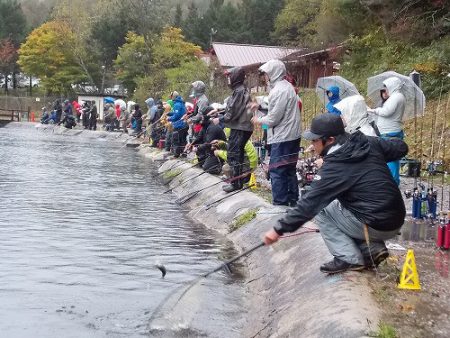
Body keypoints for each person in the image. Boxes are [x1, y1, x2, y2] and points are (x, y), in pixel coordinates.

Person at [263, 113, 408, 274]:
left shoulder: (334, 168)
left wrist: (277, 230)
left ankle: (348, 258)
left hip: (376, 224)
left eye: (314, 140)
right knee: (341, 203)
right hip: (396, 219)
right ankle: (371, 248)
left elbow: (309, 204)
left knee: (321, 208)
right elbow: (401, 147)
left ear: (330, 140)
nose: (312, 145)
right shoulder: (367, 142)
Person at [251, 59, 302, 206]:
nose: (265, 77)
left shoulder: (278, 91)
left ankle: (280, 204)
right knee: (289, 169)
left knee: (277, 170)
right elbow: (277, 109)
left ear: (273, 73)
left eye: (266, 74)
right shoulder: (287, 87)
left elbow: (273, 118)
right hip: (292, 135)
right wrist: (260, 106)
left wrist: (258, 120)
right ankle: (293, 201)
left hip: (283, 137)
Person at [212, 67, 253, 192]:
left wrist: (221, 119)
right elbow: (233, 109)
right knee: (236, 153)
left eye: (230, 76)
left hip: (240, 127)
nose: (228, 79)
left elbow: (233, 111)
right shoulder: (240, 90)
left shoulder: (239, 91)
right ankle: (238, 181)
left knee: (234, 154)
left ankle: (236, 183)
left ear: (235, 77)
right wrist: (221, 112)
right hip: (241, 126)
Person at [367, 77, 406, 185]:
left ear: (392, 86)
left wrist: (373, 110)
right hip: (390, 130)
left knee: (391, 158)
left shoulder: (396, 97)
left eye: (387, 87)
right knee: (391, 157)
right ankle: (391, 181)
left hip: (390, 132)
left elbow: (387, 112)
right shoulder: (397, 97)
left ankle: (392, 182)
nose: (386, 89)